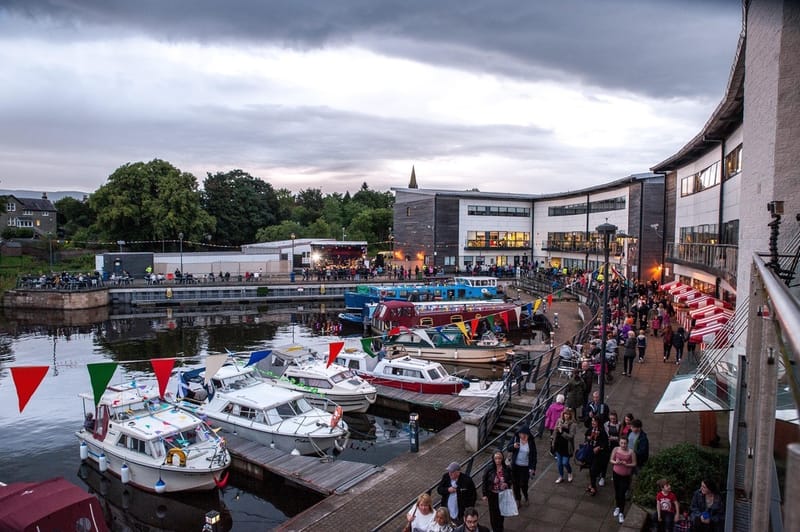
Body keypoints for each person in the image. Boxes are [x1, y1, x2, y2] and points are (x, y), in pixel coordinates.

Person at [481, 450, 513, 532]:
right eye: (496, 458)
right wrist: (484, 494)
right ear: (493, 459)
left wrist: (507, 484)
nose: (498, 460)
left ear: (502, 458)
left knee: (501, 512)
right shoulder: (489, 469)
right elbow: (484, 481)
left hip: (502, 494)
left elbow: (511, 480)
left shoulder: (506, 468)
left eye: (499, 458)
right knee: (493, 513)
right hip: (492, 494)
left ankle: (500, 528)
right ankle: (495, 529)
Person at [609, 436, 637, 524]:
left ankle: (621, 512)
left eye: (625, 443)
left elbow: (634, 463)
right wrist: (616, 462)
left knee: (622, 493)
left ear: (627, 443)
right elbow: (611, 460)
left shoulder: (631, 452)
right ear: (619, 443)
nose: (623, 445)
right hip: (616, 474)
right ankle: (617, 507)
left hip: (625, 476)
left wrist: (627, 464)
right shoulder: (616, 449)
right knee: (617, 492)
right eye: (621, 443)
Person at [506, 425, 536, 505]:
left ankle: (526, 496)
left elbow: (534, 455)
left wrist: (533, 468)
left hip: (525, 467)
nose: (520, 435)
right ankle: (518, 499)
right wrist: (513, 446)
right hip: (515, 466)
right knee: (515, 484)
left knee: (523, 484)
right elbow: (508, 448)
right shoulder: (516, 438)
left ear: (526, 434)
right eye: (519, 433)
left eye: (521, 433)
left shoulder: (531, 441)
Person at [583, 416, 609, 496]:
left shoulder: (602, 431)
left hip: (598, 455)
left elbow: (605, 443)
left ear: (598, 422)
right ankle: (592, 484)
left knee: (593, 470)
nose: (592, 422)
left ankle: (593, 487)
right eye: (592, 421)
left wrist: (599, 447)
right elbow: (586, 435)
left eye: (594, 421)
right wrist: (587, 439)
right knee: (591, 470)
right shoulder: (591, 429)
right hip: (590, 452)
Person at [553, 408, 577, 484]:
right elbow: (554, 432)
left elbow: (571, 436)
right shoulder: (559, 421)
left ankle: (569, 472)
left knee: (565, 462)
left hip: (567, 446)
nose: (566, 416)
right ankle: (561, 476)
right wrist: (553, 440)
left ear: (570, 416)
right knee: (559, 463)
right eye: (565, 414)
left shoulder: (573, 424)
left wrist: (562, 432)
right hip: (558, 444)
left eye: (568, 414)